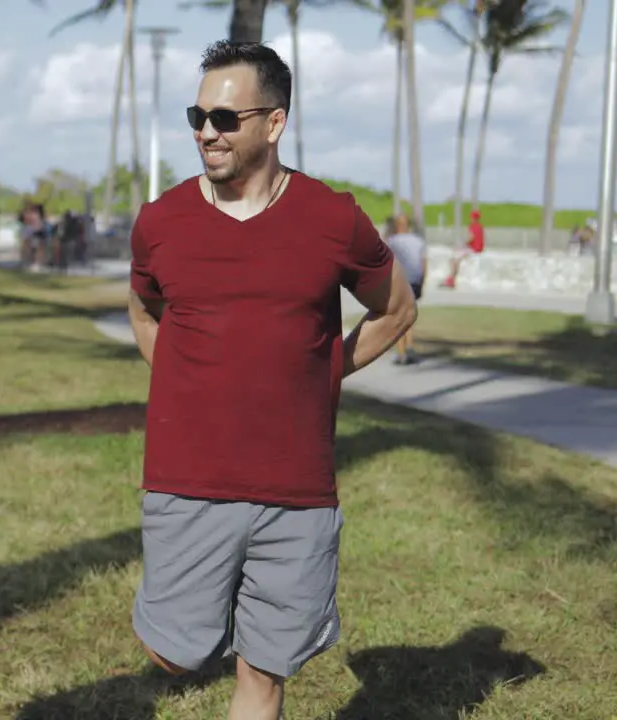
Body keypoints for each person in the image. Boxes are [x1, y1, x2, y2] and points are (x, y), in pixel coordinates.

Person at [126, 41, 418, 719]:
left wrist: (322, 372)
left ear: (274, 123)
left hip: (298, 488)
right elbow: (143, 309)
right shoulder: (161, 221)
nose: (205, 131)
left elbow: (396, 309)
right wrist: (181, 380)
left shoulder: (332, 217)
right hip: (186, 480)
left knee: (264, 674)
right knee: (175, 651)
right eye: (196, 115)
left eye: (225, 118)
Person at [384, 213, 427, 365]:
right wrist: (422, 283)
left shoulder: (392, 242)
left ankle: (401, 353)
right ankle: (409, 348)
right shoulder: (418, 241)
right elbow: (424, 264)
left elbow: (385, 262)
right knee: (409, 316)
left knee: (398, 317)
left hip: (399, 282)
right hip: (415, 282)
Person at [440, 209, 484, 288]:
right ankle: (451, 278)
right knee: (457, 256)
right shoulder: (480, 227)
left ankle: (451, 279)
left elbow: (471, 238)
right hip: (478, 249)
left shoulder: (472, 227)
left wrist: (464, 244)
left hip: (473, 250)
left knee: (455, 259)